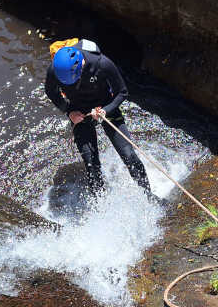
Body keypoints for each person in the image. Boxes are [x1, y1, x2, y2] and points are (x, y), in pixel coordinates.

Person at [45, 39, 155, 200]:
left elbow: (122, 92)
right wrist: (69, 111)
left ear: (80, 65)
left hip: (105, 107)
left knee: (129, 155)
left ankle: (149, 195)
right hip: (79, 113)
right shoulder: (54, 70)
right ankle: (100, 204)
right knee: (91, 164)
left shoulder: (102, 63)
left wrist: (105, 110)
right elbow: (51, 92)